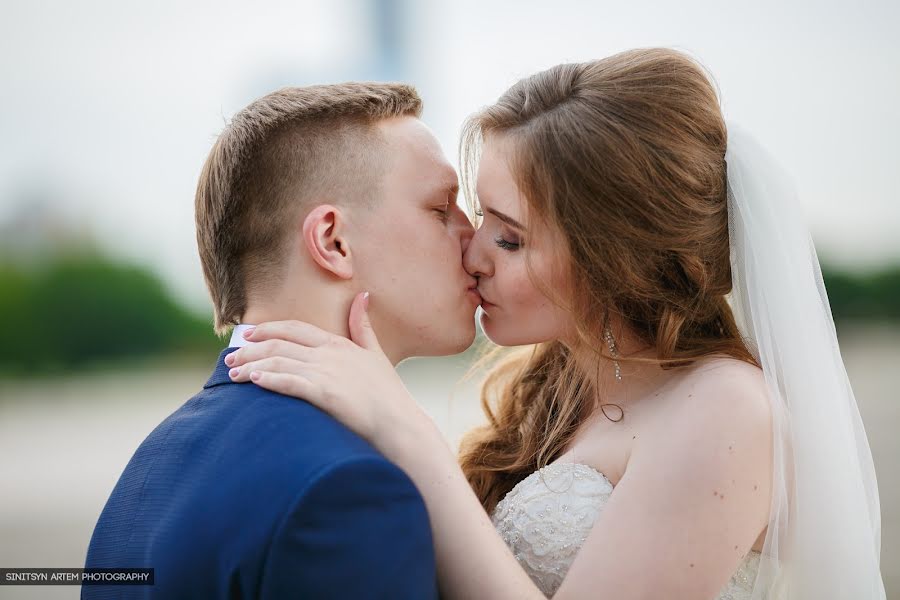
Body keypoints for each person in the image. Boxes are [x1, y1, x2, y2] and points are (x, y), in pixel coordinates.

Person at [227, 49, 887, 599]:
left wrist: (405, 430)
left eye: (510, 239)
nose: (473, 252)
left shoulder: (727, 409)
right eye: (478, 215)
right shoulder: (557, 388)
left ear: (612, 259)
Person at [83, 82, 482, 599]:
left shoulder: (152, 462)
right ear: (333, 241)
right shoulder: (348, 490)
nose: (472, 234)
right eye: (440, 207)